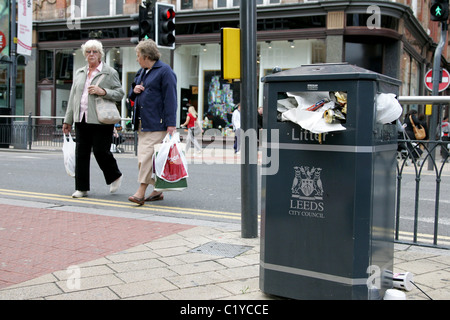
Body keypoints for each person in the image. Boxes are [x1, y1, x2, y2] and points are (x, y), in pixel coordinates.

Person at [62, 39, 124, 198]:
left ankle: (115, 175)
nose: (91, 54)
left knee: (100, 151)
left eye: (94, 51)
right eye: (88, 52)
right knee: (81, 154)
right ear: (85, 54)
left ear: (100, 54)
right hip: (81, 118)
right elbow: (72, 97)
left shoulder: (109, 72)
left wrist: (102, 91)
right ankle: (81, 188)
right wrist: (67, 120)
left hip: (101, 119)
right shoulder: (79, 72)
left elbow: (120, 93)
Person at [127, 39, 177, 206]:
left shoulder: (165, 71)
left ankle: (141, 192)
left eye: (138, 55)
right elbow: (131, 95)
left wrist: (171, 124)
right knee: (147, 159)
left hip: (157, 123)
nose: (137, 59)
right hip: (142, 123)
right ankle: (158, 190)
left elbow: (171, 99)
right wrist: (134, 91)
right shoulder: (142, 72)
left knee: (146, 158)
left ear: (146, 56)